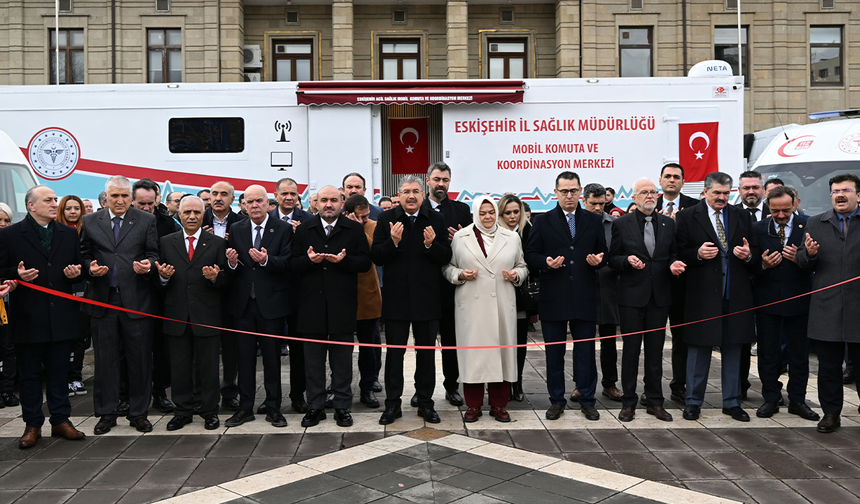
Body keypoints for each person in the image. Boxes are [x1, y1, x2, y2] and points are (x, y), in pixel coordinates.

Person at [0, 185, 87, 448]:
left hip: (61, 316)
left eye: (55, 199)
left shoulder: (67, 234)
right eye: (48, 200)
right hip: (28, 317)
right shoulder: (11, 235)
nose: (54, 204)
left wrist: (77, 273)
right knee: (28, 375)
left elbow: (79, 268)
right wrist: (15, 276)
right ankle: (33, 424)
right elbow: (2, 270)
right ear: (31, 205)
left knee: (59, 372)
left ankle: (61, 420)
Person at [675, 171, 759, 423]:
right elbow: (678, 253)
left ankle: (732, 402)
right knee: (699, 350)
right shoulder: (688, 216)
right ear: (706, 191)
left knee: (734, 349)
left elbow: (754, 250)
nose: (722, 198)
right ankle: (693, 402)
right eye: (717, 193)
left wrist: (748, 255)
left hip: (736, 295)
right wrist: (697, 254)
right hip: (702, 297)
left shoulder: (741, 215)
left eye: (726, 193)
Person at [525, 171, 608, 421]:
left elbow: (602, 251)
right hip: (554, 296)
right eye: (564, 191)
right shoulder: (543, 221)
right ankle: (556, 400)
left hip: (584, 295)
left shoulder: (593, 221)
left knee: (585, 352)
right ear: (556, 193)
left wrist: (597, 260)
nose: (569, 195)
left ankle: (587, 398)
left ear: (580, 192)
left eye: (573, 190)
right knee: (554, 353)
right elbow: (530, 254)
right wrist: (545, 262)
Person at [81, 176, 160, 435]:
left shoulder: (146, 220)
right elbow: (83, 256)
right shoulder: (91, 221)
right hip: (103, 300)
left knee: (139, 360)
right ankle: (107, 413)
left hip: (136, 300)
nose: (119, 200)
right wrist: (89, 268)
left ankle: (139, 413)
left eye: (124, 196)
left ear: (131, 198)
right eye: (114, 196)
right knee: (105, 360)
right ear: (105, 198)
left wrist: (148, 265)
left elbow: (153, 253)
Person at [372, 175, 452, 425]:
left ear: (422, 193)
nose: (411, 196)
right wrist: (392, 242)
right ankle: (392, 404)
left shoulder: (435, 219)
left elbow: (445, 256)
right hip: (396, 299)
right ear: (399, 194)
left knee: (426, 354)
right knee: (394, 355)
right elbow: (377, 256)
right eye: (406, 191)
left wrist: (431, 245)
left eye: (416, 191)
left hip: (427, 299)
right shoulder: (386, 219)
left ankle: (425, 402)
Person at [290, 186, 371, 427]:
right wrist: (309, 260)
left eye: (333, 200)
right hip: (311, 304)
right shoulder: (304, 229)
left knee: (342, 360)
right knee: (313, 361)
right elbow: (293, 263)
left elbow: (365, 263)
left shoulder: (354, 229)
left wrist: (344, 261)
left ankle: (342, 406)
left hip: (342, 304)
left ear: (341, 203)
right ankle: (315, 406)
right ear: (315, 204)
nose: (328, 204)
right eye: (323, 200)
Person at [442, 196, 527, 422]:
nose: (487, 217)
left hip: (501, 304)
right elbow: (448, 267)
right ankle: (474, 405)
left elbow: (522, 266)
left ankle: (499, 405)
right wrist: (460, 275)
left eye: (491, 212)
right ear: (475, 214)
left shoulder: (511, 237)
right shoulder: (461, 237)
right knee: (474, 356)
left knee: (502, 354)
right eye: (482, 213)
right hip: (472, 306)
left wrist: (516, 275)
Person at [609, 178, 686, 422]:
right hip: (632, 296)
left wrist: (674, 262)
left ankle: (655, 401)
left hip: (660, 296)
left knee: (655, 353)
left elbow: (674, 253)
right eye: (644, 192)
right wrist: (626, 261)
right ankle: (629, 402)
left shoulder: (667, 223)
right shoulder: (621, 224)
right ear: (634, 198)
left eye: (653, 192)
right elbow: (613, 258)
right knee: (631, 352)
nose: (650, 196)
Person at [155, 196, 227, 431]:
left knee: (207, 367)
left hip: (207, 316)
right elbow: (157, 280)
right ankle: (182, 411)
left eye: (197, 212)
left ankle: (209, 411)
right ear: (179, 214)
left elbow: (227, 279)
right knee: (179, 367)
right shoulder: (166, 242)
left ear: (203, 212)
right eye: (187, 212)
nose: (192, 217)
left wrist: (215, 278)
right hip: (176, 316)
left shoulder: (215, 243)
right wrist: (163, 277)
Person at [796, 173, 860, 433]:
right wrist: (809, 254)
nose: (840, 195)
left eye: (845, 190)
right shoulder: (815, 222)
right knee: (829, 367)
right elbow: (801, 262)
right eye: (835, 191)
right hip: (827, 307)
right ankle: (831, 413)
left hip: (858, 307)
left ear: (858, 195)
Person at [224, 185, 291, 428]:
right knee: (245, 358)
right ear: (243, 205)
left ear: (268, 203)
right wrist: (231, 263)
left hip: (271, 305)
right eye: (249, 201)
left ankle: (273, 407)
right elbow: (233, 264)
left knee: (272, 359)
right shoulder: (236, 228)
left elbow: (287, 262)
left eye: (259, 201)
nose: (254, 205)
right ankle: (245, 408)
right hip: (243, 306)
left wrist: (267, 260)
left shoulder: (282, 228)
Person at [752, 185, 818, 422]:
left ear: (796, 204)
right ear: (768, 206)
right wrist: (763, 265)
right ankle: (770, 398)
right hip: (767, 301)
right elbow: (750, 266)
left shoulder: (810, 225)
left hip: (799, 300)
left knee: (799, 353)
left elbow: (819, 262)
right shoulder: (758, 228)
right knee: (768, 353)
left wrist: (804, 257)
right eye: (775, 210)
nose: (780, 215)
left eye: (786, 210)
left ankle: (798, 399)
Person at [422, 162, 472, 407]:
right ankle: (422, 390)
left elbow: (474, 245)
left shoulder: (462, 211)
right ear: (427, 180)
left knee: (451, 342)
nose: (441, 184)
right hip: (425, 286)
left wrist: (461, 240)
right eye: (437, 179)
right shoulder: (416, 208)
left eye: (445, 180)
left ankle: (452, 386)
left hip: (453, 288)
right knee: (424, 345)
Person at [132, 178, 181, 414]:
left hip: (161, 293)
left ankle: (160, 392)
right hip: (131, 293)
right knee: (131, 348)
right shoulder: (126, 222)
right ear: (133, 200)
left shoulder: (168, 224)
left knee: (161, 348)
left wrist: (164, 273)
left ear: (157, 199)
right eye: (141, 203)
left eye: (150, 203)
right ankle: (129, 393)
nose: (146, 208)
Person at [655, 163, 700, 404]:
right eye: (667, 176)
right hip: (657, 285)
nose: (671, 180)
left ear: (683, 182)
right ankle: (653, 389)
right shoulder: (650, 206)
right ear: (660, 180)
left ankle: (679, 385)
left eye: (676, 177)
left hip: (685, 285)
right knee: (654, 340)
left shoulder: (695, 207)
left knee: (682, 339)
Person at [269, 177, 314, 413]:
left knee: (299, 351)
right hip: (271, 294)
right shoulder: (266, 218)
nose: (289, 197)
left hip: (299, 295)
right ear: (275, 195)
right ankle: (271, 398)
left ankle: (298, 395)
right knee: (271, 349)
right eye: (284, 193)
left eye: (293, 194)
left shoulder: (308, 220)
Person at [202, 181, 246, 411]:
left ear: (232, 199)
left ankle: (229, 392)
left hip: (232, 294)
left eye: (224, 194)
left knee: (231, 348)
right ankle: (204, 393)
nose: (218, 198)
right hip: (204, 293)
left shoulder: (241, 223)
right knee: (206, 348)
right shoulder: (198, 219)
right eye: (214, 193)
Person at [580, 183, 622, 403]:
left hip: (607, 287)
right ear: (584, 200)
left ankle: (610, 384)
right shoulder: (575, 223)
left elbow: (620, 253)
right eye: (593, 203)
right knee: (583, 341)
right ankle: (582, 384)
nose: (598, 207)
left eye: (601, 203)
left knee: (609, 341)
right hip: (582, 288)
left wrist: (607, 263)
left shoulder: (614, 224)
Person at [343, 194, 383, 409]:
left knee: (369, 345)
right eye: (361, 217)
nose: (366, 219)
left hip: (368, 294)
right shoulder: (339, 226)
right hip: (343, 295)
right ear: (349, 214)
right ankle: (340, 387)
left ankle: (368, 386)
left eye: (367, 216)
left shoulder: (375, 227)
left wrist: (359, 229)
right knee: (342, 348)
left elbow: (374, 255)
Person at [497, 194, 535, 401]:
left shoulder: (529, 231)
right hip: (497, 293)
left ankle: (517, 382)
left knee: (519, 342)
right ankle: (498, 382)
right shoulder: (493, 232)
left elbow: (533, 259)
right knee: (498, 341)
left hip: (520, 294)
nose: (512, 216)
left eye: (516, 212)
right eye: (508, 212)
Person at [734, 170, 768, 398]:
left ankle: (771, 390)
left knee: (770, 343)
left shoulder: (777, 212)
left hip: (771, 287)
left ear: (763, 190)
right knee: (742, 342)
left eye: (755, 187)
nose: (751, 192)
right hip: (741, 290)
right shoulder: (731, 215)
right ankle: (740, 387)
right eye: (746, 188)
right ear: (739, 191)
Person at [56, 195, 89, 398]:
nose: (73, 212)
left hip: (83, 290)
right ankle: (64, 378)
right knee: (64, 337)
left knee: (80, 336)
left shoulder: (88, 230)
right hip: (61, 291)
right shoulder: (57, 232)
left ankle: (76, 377)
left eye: (77, 208)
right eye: (68, 208)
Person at [0, 202, 19, 409]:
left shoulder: (10, 246)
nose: (3, 224)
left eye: (7, 221)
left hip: (6, 307)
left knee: (8, 349)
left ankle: (7, 390)